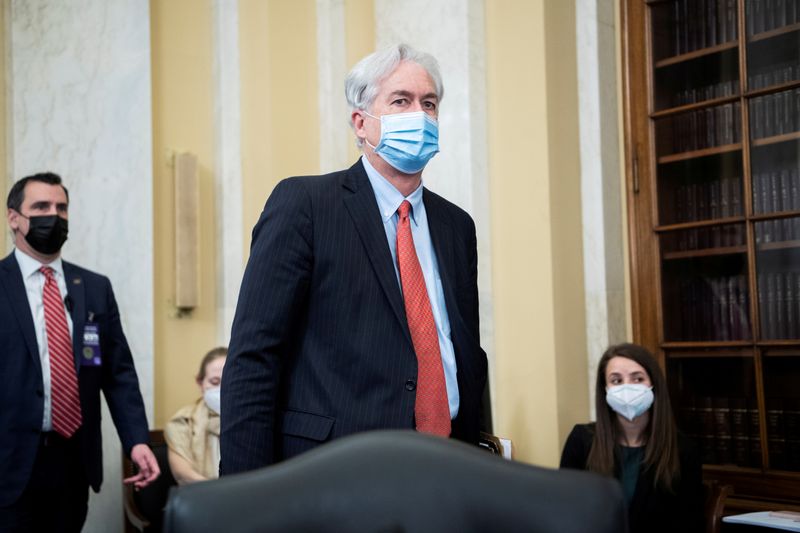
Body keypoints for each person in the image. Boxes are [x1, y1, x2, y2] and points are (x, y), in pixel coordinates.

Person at [220, 43, 487, 474]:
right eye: (401, 100)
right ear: (361, 123)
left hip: (449, 466)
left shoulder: (457, 226)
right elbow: (254, 357)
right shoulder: (306, 205)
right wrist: (242, 497)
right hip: (335, 471)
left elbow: (464, 355)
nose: (419, 115)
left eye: (429, 104)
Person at [0, 172, 159, 532]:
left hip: (72, 462)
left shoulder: (94, 287)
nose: (53, 216)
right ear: (14, 218)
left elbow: (118, 374)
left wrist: (136, 441)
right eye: (41, 207)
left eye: (62, 208)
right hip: (9, 464)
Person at [560, 343, 703, 533]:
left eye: (637, 379)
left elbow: (688, 523)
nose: (627, 387)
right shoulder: (581, 440)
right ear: (605, 390)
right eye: (616, 381)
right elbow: (564, 512)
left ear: (653, 385)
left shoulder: (683, 450)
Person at [165, 347, 226, 484]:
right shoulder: (183, 422)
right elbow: (183, 474)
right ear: (200, 382)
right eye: (215, 382)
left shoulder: (252, 419)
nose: (222, 389)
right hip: (201, 497)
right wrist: (222, 492)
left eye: (228, 382)